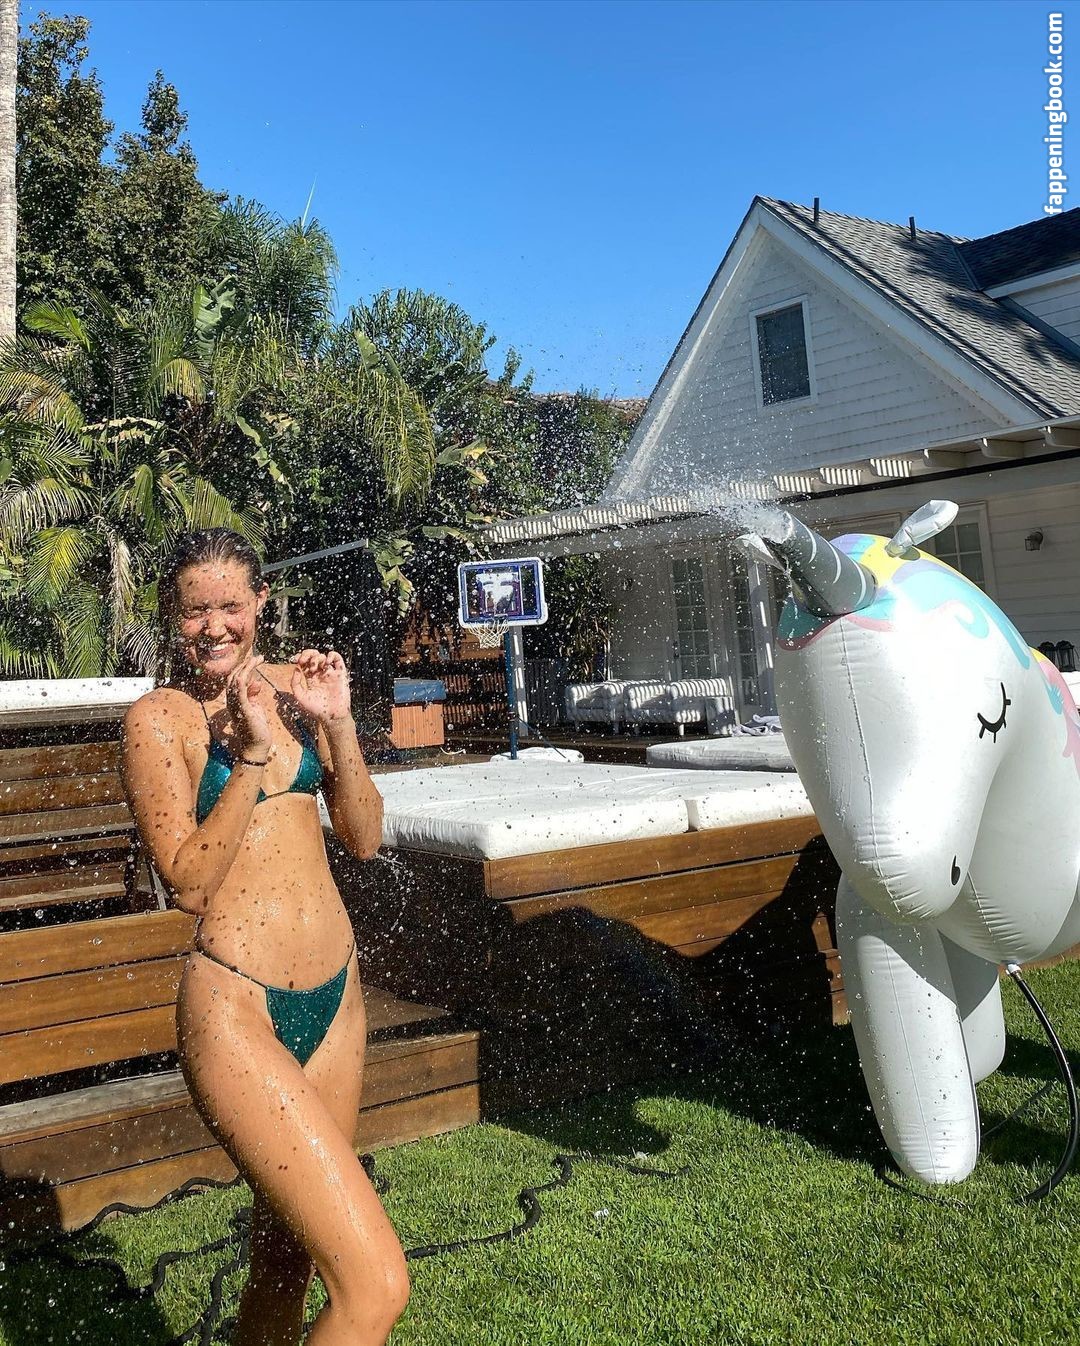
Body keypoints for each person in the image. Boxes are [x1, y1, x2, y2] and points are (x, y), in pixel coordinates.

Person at [120, 529, 409, 1346]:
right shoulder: (160, 720)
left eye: (229, 606)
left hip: (336, 998)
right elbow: (188, 882)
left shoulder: (297, 688)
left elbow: (363, 838)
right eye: (194, 611)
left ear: (260, 603)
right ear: (172, 617)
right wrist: (248, 759)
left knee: (288, 1262)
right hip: (236, 1008)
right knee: (376, 1288)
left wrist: (338, 724)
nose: (213, 626)